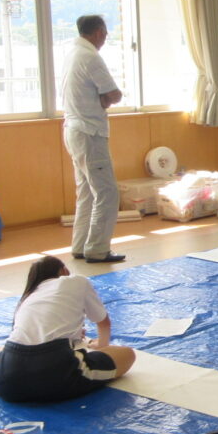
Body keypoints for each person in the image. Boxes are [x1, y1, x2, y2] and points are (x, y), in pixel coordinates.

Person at [0, 255, 135, 402]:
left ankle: (0, 361)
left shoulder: (30, 295)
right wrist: (102, 346)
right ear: (63, 270)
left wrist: (73, 333)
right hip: (56, 375)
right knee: (128, 354)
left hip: (6, 381)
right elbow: (103, 323)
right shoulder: (77, 281)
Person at [62, 14, 125, 264]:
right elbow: (114, 94)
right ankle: (98, 249)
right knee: (107, 192)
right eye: (105, 33)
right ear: (98, 32)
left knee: (87, 192)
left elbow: (105, 96)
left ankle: (81, 245)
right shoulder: (90, 57)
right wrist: (106, 99)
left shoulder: (73, 53)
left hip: (74, 129)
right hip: (90, 133)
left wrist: (104, 98)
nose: (105, 38)